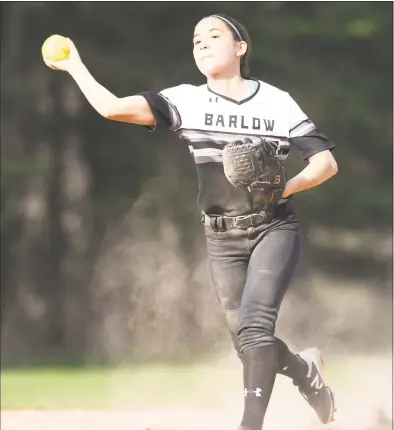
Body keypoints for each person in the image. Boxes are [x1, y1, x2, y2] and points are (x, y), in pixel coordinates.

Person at [44, 14, 338, 430]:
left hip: (273, 226)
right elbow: (111, 109)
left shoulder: (276, 101)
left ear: (241, 47)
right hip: (221, 237)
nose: (202, 43)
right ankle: (306, 371)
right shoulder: (185, 100)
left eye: (214, 35)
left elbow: (325, 164)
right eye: (196, 39)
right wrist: (74, 64)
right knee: (247, 343)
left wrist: (283, 188)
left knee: (254, 331)